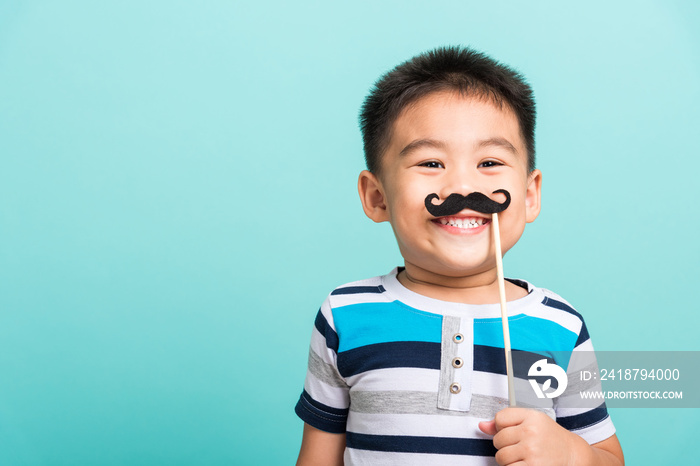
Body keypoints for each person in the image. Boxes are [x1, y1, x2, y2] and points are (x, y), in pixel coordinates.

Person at [294, 46, 624, 465]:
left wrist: (574, 456)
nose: (462, 188)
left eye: (489, 161)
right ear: (377, 197)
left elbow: (609, 458)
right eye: (431, 162)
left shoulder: (559, 327)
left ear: (528, 195)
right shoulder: (345, 315)